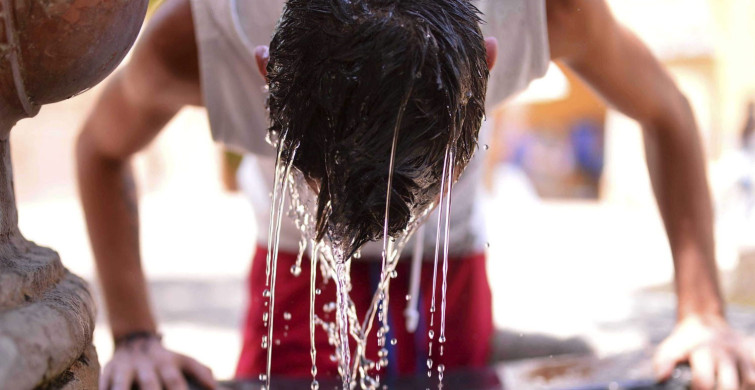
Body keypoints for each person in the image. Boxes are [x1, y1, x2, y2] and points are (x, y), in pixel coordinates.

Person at [75, 1, 754, 390]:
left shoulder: (545, 12)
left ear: (485, 67)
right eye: (320, 175)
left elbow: (665, 109)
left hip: (448, 267)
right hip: (297, 271)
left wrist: (700, 309)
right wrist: (135, 334)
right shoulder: (196, 38)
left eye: (426, 179)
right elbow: (100, 150)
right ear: (265, 76)